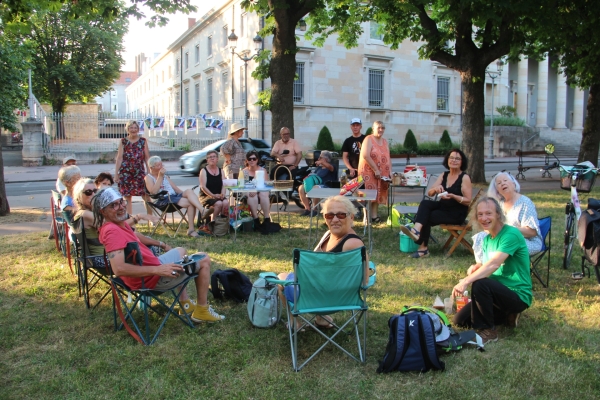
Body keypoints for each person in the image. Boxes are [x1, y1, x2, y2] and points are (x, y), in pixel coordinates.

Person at [94, 187, 225, 323]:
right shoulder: (112, 231)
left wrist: (161, 244)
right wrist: (157, 269)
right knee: (203, 259)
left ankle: (185, 303)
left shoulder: (119, 224)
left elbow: (136, 236)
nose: (120, 207)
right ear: (103, 211)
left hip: (151, 270)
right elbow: (119, 269)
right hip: (150, 280)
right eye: (113, 205)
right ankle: (202, 311)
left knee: (180, 251)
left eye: (121, 202)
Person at [277, 195, 368, 330]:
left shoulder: (352, 244)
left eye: (341, 215)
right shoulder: (328, 234)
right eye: (329, 216)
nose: (335, 219)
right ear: (325, 218)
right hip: (335, 297)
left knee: (281, 278)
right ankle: (321, 319)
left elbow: (363, 280)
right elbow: (365, 281)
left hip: (313, 299)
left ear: (352, 217)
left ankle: (294, 322)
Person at [452, 196, 533, 344]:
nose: (484, 218)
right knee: (460, 320)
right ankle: (508, 315)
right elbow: (486, 264)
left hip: (517, 294)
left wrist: (465, 281)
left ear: (498, 214)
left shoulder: (511, 234)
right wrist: (477, 267)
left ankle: (489, 331)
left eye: (488, 213)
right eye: (480, 214)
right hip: (497, 294)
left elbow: (494, 264)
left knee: (480, 283)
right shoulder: (487, 239)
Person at [73, 179, 163, 270]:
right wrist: (138, 217)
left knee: (143, 243)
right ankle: (157, 275)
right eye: (88, 192)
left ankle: (157, 273)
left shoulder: (89, 213)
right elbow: (117, 228)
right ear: (79, 196)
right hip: (103, 258)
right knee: (150, 247)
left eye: (95, 191)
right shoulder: (85, 214)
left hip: (108, 253)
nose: (93, 195)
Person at [400, 148, 472, 258]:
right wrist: (436, 189)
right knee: (425, 203)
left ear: (462, 162)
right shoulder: (444, 174)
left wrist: (453, 196)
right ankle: (417, 230)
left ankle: (423, 249)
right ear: (447, 160)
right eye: (451, 158)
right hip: (443, 207)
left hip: (456, 213)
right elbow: (430, 192)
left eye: (457, 159)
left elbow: (468, 200)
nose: (454, 160)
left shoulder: (464, 177)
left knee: (427, 216)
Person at [473, 172, 542, 263]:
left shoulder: (525, 202)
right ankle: (482, 266)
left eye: (505, 180)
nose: (503, 183)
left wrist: (508, 229)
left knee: (506, 242)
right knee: (481, 236)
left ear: (514, 183)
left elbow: (532, 232)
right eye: (499, 183)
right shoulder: (499, 204)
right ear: (497, 189)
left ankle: (493, 267)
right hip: (503, 238)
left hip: (525, 241)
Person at [145, 155, 206, 237]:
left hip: (174, 197)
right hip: (164, 199)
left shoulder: (165, 177)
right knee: (190, 203)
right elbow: (153, 192)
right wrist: (160, 177)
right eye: (159, 165)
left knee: (189, 191)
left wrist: (187, 196)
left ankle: (202, 211)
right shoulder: (148, 178)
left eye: (162, 164)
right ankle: (191, 230)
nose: (161, 167)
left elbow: (176, 189)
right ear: (151, 167)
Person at [357, 120, 392, 223]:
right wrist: (375, 169)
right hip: (368, 172)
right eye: (378, 128)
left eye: (383, 128)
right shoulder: (368, 139)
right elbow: (365, 155)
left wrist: (390, 171)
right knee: (368, 194)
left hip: (382, 173)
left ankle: (374, 216)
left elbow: (388, 157)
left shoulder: (385, 141)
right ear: (373, 129)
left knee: (377, 193)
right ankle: (366, 217)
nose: (381, 130)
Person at [114, 120, 150, 215]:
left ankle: (151, 218)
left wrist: (149, 172)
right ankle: (129, 219)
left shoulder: (143, 141)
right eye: (131, 127)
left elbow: (147, 157)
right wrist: (116, 174)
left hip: (139, 171)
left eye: (135, 128)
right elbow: (119, 158)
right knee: (127, 197)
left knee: (145, 195)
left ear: (138, 129)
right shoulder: (123, 141)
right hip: (125, 172)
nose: (133, 130)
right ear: (127, 129)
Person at [298, 150, 336, 216]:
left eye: (320, 158)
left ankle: (314, 210)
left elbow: (330, 168)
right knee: (301, 188)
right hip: (317, 185)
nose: (318, 159)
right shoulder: (319, 168)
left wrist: (321, 162)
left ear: (326, 159)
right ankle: (307, 209)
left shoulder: (332, 166)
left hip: (327, 186)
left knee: (316, 187)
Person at [242, 150, 272, 231]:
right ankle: (256, 219)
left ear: (257, 160)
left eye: (254, 159)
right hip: (249, 191)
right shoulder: (244, 171)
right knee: (251, 195)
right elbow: (244, 185)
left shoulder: (262, 170)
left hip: (261, 190)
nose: (252, 160)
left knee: (264, 193)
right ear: (247, 160)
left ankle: (267, 219)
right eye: (249, 159)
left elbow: (265, 185)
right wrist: (253, 190)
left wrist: (257, 190)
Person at [198, 150, 228, 223]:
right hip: (206, 196)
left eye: (214, 157)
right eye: (210, 157)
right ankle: (213, 223)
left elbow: (224, 185)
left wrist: (222, 194)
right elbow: (203, 187)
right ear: (207, 160)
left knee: (226, 203)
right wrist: (213, 195)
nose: (212, 158)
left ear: (217, 159)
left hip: (218, 195)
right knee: (219, 203)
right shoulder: (203, 171)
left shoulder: (221, 171)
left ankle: (222, 223)